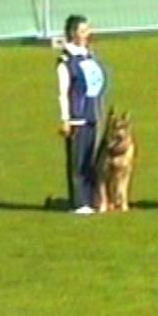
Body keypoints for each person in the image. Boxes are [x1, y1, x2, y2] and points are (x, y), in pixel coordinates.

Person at [57, 15, 107, 214]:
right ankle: (79, 202)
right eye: (83, 30)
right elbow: (63, 92)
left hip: (92, 113)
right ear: (73, 33)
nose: (88, 33)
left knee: (91, 159)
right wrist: (65, 119)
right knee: (78, 160)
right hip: (77, 116)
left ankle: (92, 198)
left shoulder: (88, 56)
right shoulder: (66, 61)